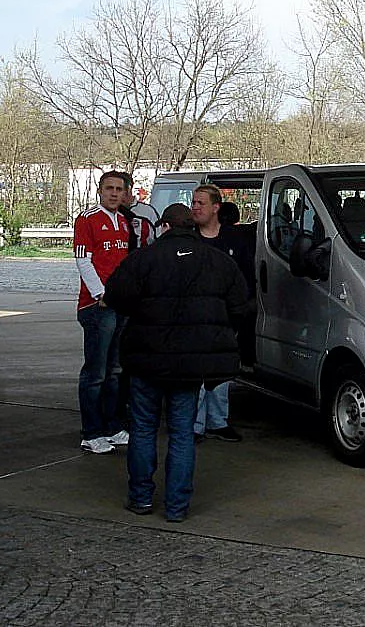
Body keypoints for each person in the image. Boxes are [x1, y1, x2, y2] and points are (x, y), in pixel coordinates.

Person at [103, 203, 252, 522]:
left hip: (146, 360)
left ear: (165, 227)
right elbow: (242, 306)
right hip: (191, 365)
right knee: (182, 431)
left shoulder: (143, 258)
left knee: (143, 428)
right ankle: (177, 507)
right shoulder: (218, 261)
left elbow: (115, 297)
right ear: (192, 227)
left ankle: (141, 499)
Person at [73, 170, 148, 454]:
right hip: (98, 306)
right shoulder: (88, 219)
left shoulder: (125, 223)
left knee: (115, 370)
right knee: (96, 372)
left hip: (121, 304)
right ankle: (91, 432)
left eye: (119, 189)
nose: (114, 193)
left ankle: (112, 426)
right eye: (109, 188)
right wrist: (100, 293)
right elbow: (83, 259)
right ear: (100, 191)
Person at [190, 183, 256, 442]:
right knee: (195, 371)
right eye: (193, 203)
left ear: (215, 207)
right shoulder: (188, 238)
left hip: (225, 318)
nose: (195, 207)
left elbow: (245, 278)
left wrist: (242, 308)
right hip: (194, 318)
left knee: (221, 370)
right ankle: (194, 424)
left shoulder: (235, 239)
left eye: (201, 203)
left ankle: (218, 422)